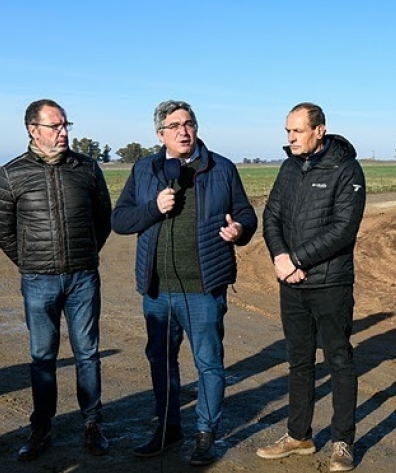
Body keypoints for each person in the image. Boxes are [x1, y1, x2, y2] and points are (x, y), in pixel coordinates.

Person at [111, 100, 257, 466]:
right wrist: (152, 209)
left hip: (203, 289)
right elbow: (120, 220)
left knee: (209, 363)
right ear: (160, 133)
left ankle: (205, 433)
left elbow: (246, 214)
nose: (184, 131)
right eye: (174, 125)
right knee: (161, 362)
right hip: (157, 291)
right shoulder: (144, 169)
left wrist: (240, 230)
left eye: (189, 123)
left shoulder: (221, 168)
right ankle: (166, 429)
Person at [0, 99, 112, 460]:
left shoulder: (87, 169)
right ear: (33, 130)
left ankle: (92, 425)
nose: (63, 132)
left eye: (65, 125)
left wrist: (85, 255)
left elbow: (102, 220)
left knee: (88, 354)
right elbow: (2, 229)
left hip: (82, 278)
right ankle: (41, 429)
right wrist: (29, 261)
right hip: (38, 280)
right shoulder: (12, 174)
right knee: (42, 356)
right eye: (55, 126)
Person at [256, 102, 366, 472]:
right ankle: (299, 435)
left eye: (297, 131)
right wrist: (281, 259)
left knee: (339, 360)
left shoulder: (346, 169)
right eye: (287, 131)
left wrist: (297, 260)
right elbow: (271, 215)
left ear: (320, 130)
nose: (290, 138)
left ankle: (342, 442)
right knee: (299, 362)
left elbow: (343, 229)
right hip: (291, 282)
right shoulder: (289, 167)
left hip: (330, 282)